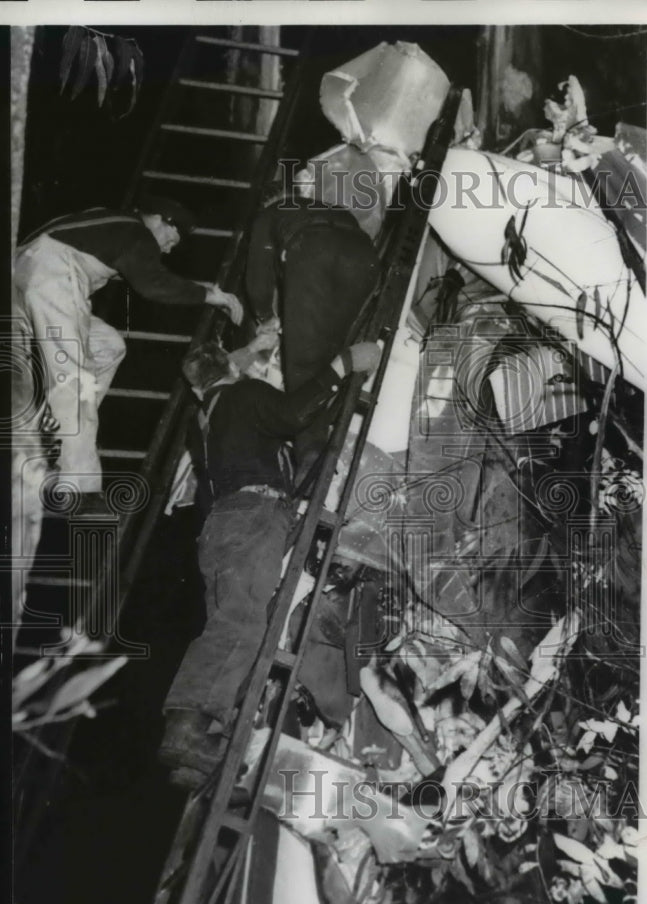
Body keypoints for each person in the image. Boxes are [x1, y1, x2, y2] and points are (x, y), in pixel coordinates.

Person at [159, 336, 382, 789]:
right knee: (242, 623)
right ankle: (186, 730)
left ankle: (200, 743)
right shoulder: (243, 393)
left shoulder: (203, 421)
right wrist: (342, 364)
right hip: (252, 514)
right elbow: (292, 414)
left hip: (221, 525)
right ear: (231, 370)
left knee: (232, 625)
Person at [12, 195, 244, 502]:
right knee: (75, 379)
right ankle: (79, 485)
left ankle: (52, 427)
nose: (167, 249)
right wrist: (210, 295)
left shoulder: (107, 220)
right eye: (170, 240)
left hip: (19, 276)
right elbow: (153, 284)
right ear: (160, 220)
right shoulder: (137, 232)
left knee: (108, 345)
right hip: (53, 277)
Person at [245, 184, 381, 475]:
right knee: (333, 350)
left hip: (313, 250)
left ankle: (311, 457)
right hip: (364, 258)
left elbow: (257, 281)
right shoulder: (327, 209)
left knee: (303, 365)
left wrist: (265, 317)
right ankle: (325, 435)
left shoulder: (269, 214)